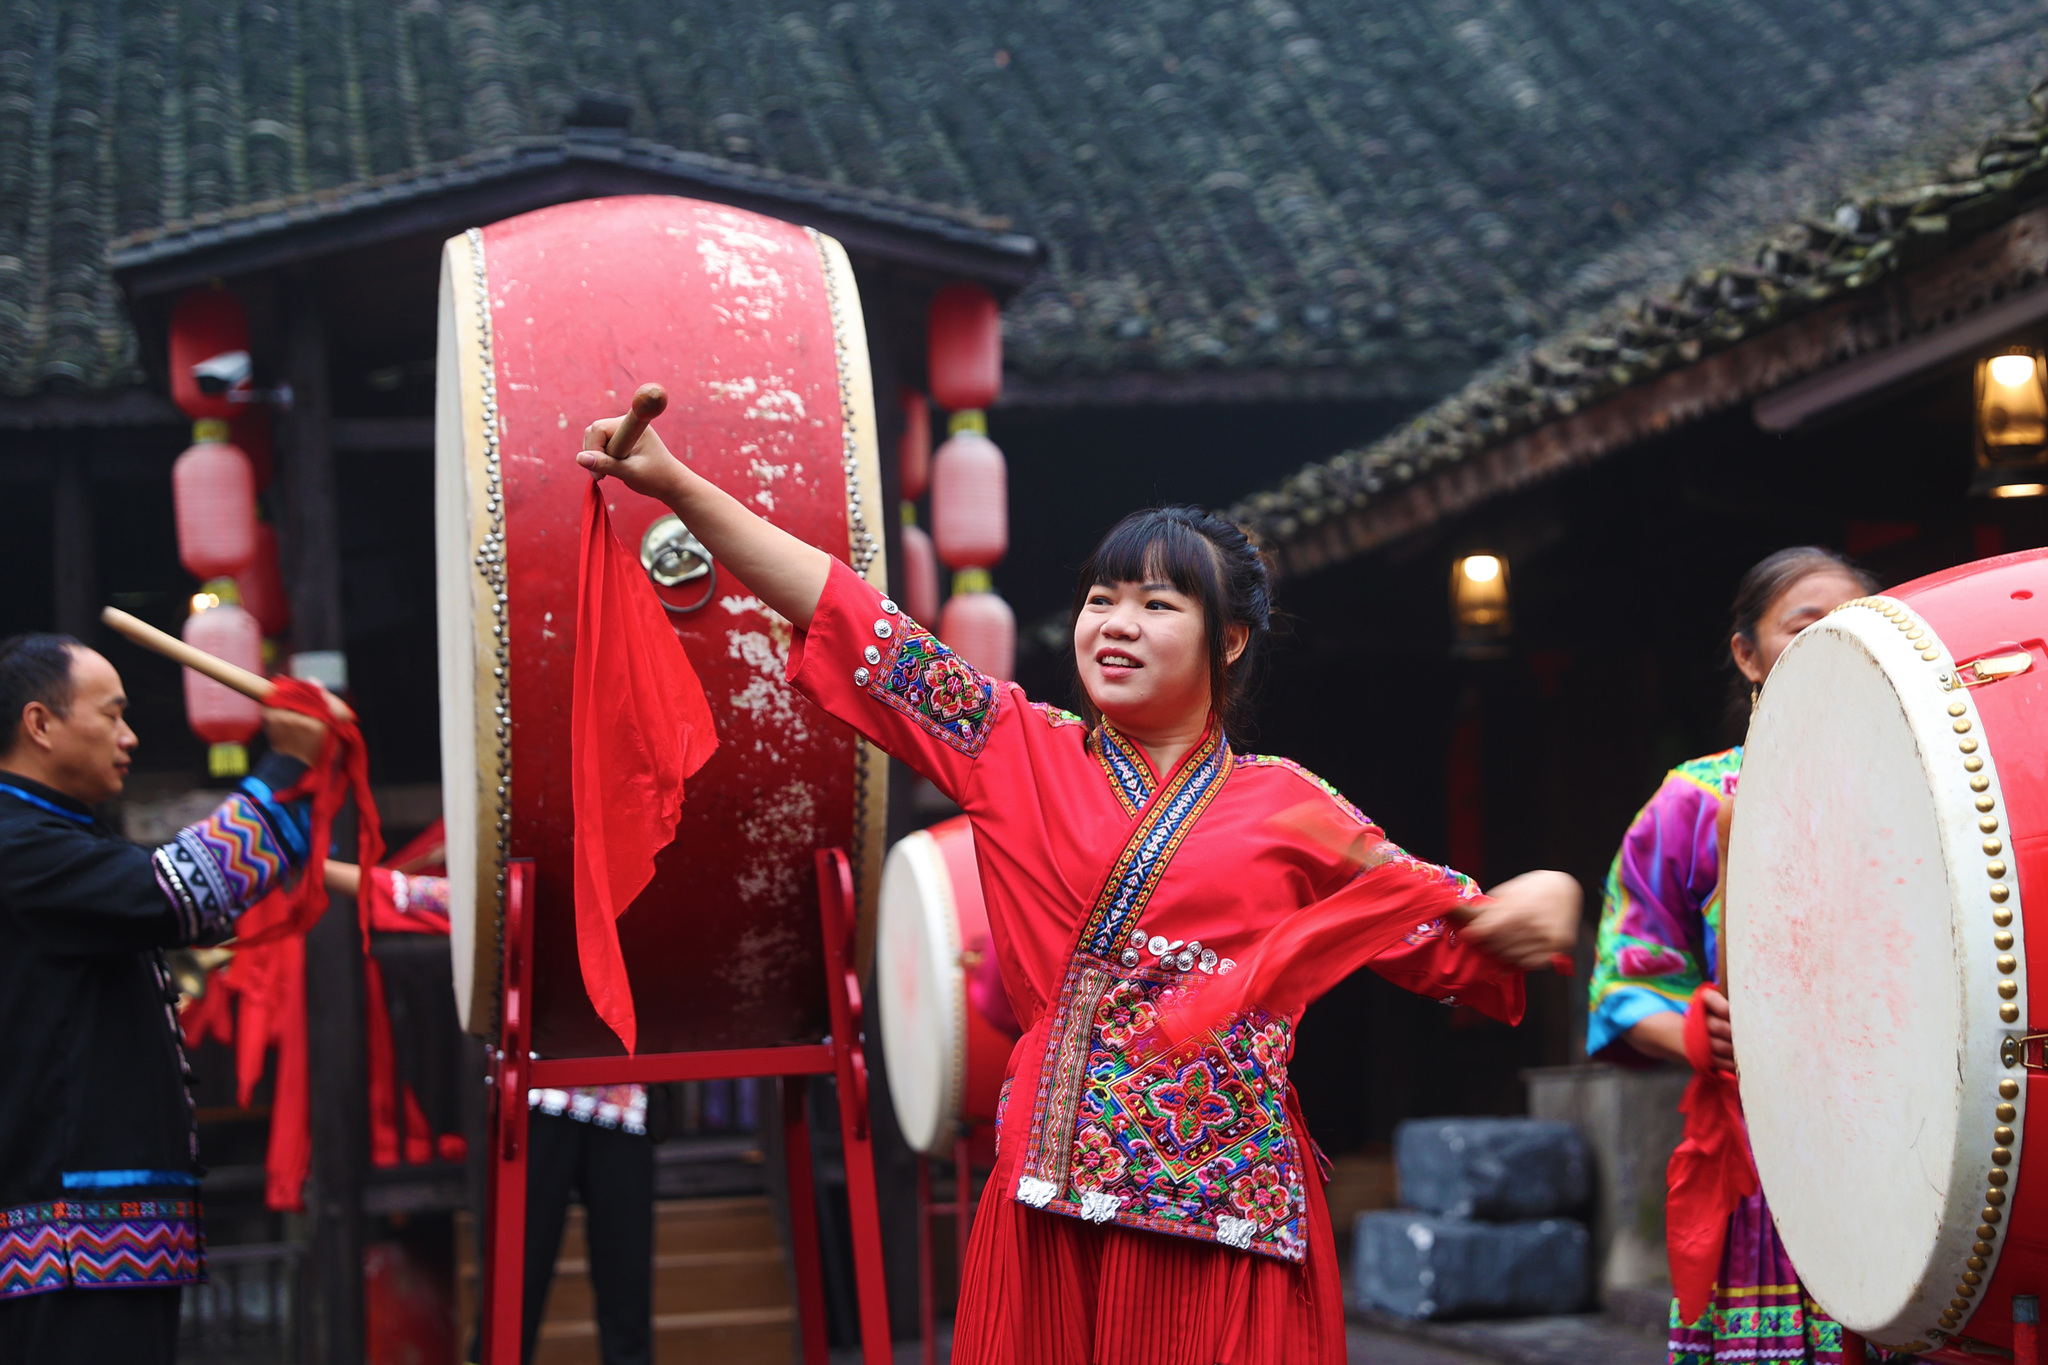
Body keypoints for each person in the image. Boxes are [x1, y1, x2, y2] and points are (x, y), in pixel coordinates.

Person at [574, 416, 1581, 1364]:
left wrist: (1544, 900)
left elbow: (1453, 931)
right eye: (1102, 598)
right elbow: (849, 616)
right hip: (1053, 1207)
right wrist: (673, 485)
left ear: (1227, 641)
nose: (1116, 624)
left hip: (1227, 1219)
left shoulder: (1296, 811)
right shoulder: (1009, 747)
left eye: (1157, 604)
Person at [0, 633, 329, 1363]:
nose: (130, 735)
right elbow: (179, 891)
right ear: (40, 724)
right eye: (112, 714)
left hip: (98, 1242)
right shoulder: (16, 843)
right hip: (67, 1244)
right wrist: (286, 767)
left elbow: (187, 895)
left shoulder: (51, 836)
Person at [1587, 547, 1878, 1365]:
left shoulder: (1926, 783)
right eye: (1805, 625)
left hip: (1907, 1144)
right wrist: (1692, 1025)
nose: (1833, 643)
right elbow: (1622, 979)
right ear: (1747, 653)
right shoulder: (1694, 801)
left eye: (1856, 625)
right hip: (1763, 1153)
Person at [324, 860, 654, 1365]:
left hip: (624, 1107)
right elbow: (409, 893)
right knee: (514, 1291)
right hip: (539, 1102)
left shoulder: (638, 886)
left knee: (627, 1296)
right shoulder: (517, 894)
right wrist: (312, 865)